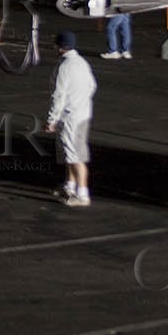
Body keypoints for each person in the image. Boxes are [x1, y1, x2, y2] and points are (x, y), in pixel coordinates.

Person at [46, 31, 97, 207]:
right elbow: (92, 86)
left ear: (60, 47)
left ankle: (82, 194)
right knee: (71, 152)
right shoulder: (82, 63)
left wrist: (52, 119)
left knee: (74, 154)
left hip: (71, 116)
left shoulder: (65, 66)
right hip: (83, 113)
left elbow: (58, 95)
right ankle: (70, 185)